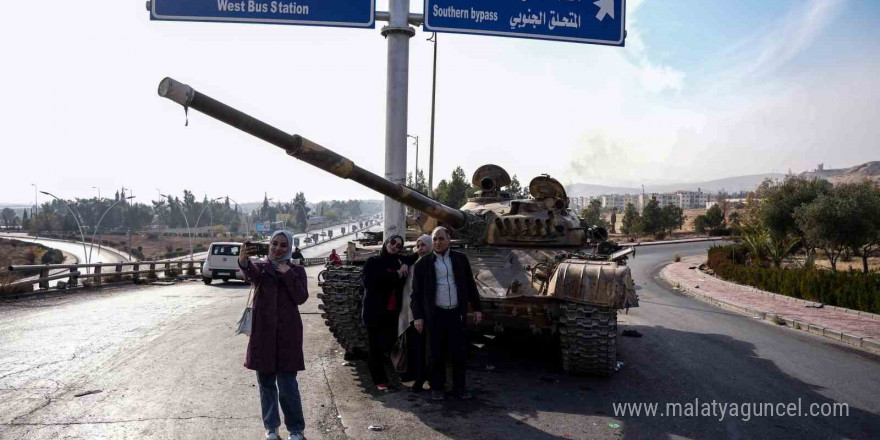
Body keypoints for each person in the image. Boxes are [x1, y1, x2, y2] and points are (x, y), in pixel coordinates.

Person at [238, 231, 309, 440]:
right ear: (269, 245)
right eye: (275, 244)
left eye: (283, 245)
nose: (278, 248)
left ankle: (296, 431)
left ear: (290, 248)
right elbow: (250, 273)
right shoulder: (261, 268)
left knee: (288, 386)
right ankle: (271, 429)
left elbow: (301, 297)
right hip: (263, 335)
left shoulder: (297, 271)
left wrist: (287, 273)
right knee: (266, 385)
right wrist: (243, 260)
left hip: (288, 336)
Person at [411, 227, 482, 401]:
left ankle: (460, 388)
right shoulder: (423, 264)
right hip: (435, 314)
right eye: (435, 239)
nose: (437, 242)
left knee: (458, 352)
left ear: (449, 240)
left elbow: (470, 285)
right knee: (435, 354)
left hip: (456, 313)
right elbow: (416, 294)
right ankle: (437, 388)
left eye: (441, 239)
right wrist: (418, 316)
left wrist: (477, 308)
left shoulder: (460, 259)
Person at [361, 235, 410, 391]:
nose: (395, 246)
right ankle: (380, 380)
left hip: (392, 311)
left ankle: (386, 371)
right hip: (374, 311)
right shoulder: (373, 261)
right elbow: (370, 282)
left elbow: (413, 257)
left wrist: (405, 264)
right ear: (386, 242)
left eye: (399, 245)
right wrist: (396, 274)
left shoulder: (398, 262)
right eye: (392, 242)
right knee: (375, 347)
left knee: (388, 342)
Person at [397, 234, 432, 392]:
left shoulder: (434, 262)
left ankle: (427, 377)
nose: (420, 248)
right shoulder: (412, 262)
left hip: (427, 313)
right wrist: (404, 262)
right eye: (418, 245)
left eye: (424, 245)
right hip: (410, 312)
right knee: (414, 347)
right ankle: (415, 376)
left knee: (428, 349)